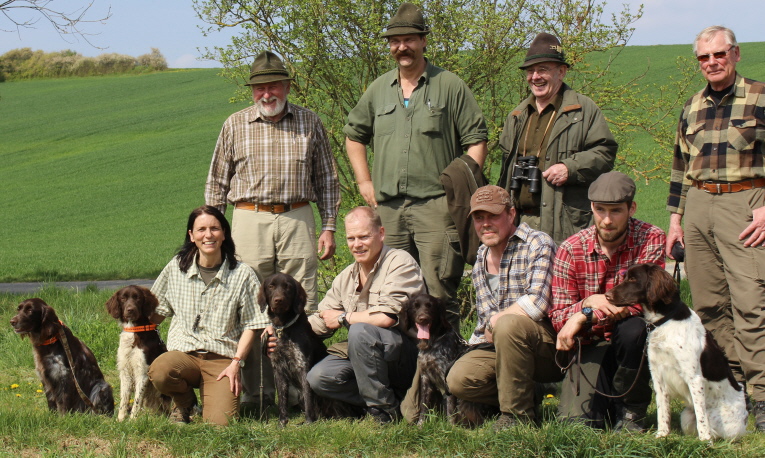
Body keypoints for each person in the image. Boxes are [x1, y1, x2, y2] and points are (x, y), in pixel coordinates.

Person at [204, 50, 341, 409]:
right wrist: (214, 236)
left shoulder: (310, 122)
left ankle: (301, 392)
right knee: (252, 305)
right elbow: (217, 183)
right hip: (249, 219)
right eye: (260, 87)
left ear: (287, 86)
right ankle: (259, 394)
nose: (268, 93)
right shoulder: (235, 124)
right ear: (252, 90)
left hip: (298, 217)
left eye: (275, 85)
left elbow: (327, 178)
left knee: (300, 303)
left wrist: (328, 226)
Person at [344, 2, 488, 327]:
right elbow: (354, 136)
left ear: (423, 41)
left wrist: (462, 188)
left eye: (409, 39)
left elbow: (476, 139)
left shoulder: (449, 85)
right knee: (389, 294)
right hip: (389, 211)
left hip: (436, 207)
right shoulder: (379, 89)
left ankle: (449, 373)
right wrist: (364, 182)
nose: (402, 47)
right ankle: (403, 372)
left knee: (439, 293)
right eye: (395, 41)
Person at [666, 25, 765, 430]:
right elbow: (679, 167)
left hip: (746, 202)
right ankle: (734, 387)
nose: (712, 63)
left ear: (735, 54)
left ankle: (762, 398)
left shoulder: (760, 96)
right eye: (704, 58)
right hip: (699, 205)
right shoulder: (691, 106)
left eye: (719, 55)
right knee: (709, 305)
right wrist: (675, 219)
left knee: (751, 305)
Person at [550, 172, 665, 431]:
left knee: (635, 328)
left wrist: (584, 314)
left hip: (633, 342)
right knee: (577, 426)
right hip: (589, 344)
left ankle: (632, 412)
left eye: (616, 211)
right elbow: (558, 317)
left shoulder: (651, 238)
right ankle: (608, 405)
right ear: (591, 207)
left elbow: (648, 300)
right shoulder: (570, 248)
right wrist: (589, 304)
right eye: (600, 210)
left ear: (631, 208)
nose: (607, 220)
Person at [444, 185, 562, 431]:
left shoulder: (537, 243)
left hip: (546, 345)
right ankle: (529, 395)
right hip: (500, 345)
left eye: (492, 216)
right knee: (459, 379)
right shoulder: (480, 258)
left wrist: (497, 321)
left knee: (507, 324)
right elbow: (484, 322)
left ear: (511, 214)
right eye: (479, 218)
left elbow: (538, 303)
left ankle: (517, 418)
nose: (485, 224)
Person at [302, 206, 426, 423]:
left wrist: (343, 318)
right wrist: (284, 331)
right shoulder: (345, 277)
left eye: (364, 237)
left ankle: (383, 412)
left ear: (382, 233)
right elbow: (321, 317)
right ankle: (391, 402)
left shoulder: (399, 262)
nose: (357, 244)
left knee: (360, 331)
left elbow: (386, 317)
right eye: (351, 238)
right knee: (319, 377)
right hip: (366, 356)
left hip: (405, 354)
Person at [148, 206, 267, 426]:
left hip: (222, 359)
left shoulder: (242, 274)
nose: (208, 235)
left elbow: (253, 324)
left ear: (224, 233)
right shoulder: (176, 268)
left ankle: (210, 400)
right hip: (184, 354)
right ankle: (184, 403)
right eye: (201, 229)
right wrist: (134, 330)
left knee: (220, 424)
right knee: (160, 371)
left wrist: (236, 363)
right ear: (191, 235)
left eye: (214, 228)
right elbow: (156, 311)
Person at [497, 32, 617, 244]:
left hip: (565, 225)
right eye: (530, 71)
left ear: (561, 72)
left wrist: (569, 168)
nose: (535, 77)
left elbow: (605, 153)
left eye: (542, 69)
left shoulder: (583, 110)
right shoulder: (516, 116)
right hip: (521, 223)